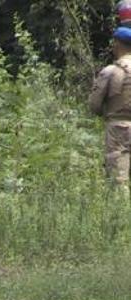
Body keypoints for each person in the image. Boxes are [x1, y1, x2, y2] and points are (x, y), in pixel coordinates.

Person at [89, 28, 131, 195]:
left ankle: (122, 218)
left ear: (117, 44)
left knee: (118, 180)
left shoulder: (110, 72)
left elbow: (94, 105)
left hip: (117, 129)